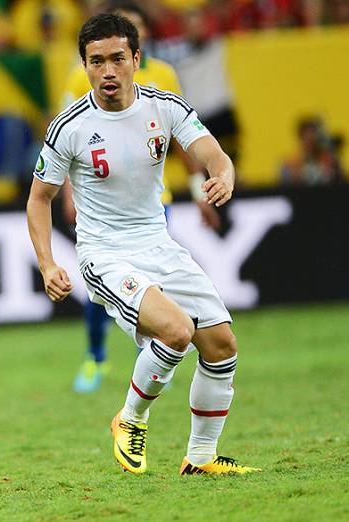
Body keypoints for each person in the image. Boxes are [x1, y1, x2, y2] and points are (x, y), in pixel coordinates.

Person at [26, 14, 259, 476]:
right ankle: (129, 418)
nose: (107, 71)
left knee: (221, 345)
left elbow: (212, 153)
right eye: (96, 62)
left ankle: (200, 458)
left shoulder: (164, 106)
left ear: (136, 59)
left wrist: (224, 175)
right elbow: (38, 199)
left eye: (117, 59)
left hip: (159, 243)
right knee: (175, 331)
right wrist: (48, 262)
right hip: (105, 253)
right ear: (84, 66)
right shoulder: (69, 127)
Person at [59, 1, 220, 394]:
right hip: (99, 205)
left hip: (153, 202)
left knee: (151, 293)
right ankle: (95, 357)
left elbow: (184, 140)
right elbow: (62, 142)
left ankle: (143, 368)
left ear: (140, 42)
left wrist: (201, 188)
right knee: (103, 291)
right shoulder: (86, 79)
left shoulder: (163, 78)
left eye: (138, 28)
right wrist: (67, 194)